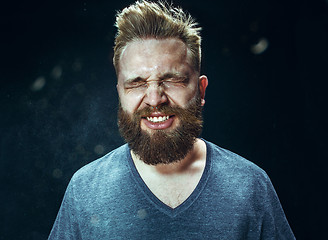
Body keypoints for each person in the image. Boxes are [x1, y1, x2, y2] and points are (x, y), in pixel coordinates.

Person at [48, 1, 295, 239]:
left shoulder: (250, 186)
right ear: (120, 93)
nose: (154, 99)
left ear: (201, 90)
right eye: (137, 83)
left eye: (172, 80)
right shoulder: (86, 191)